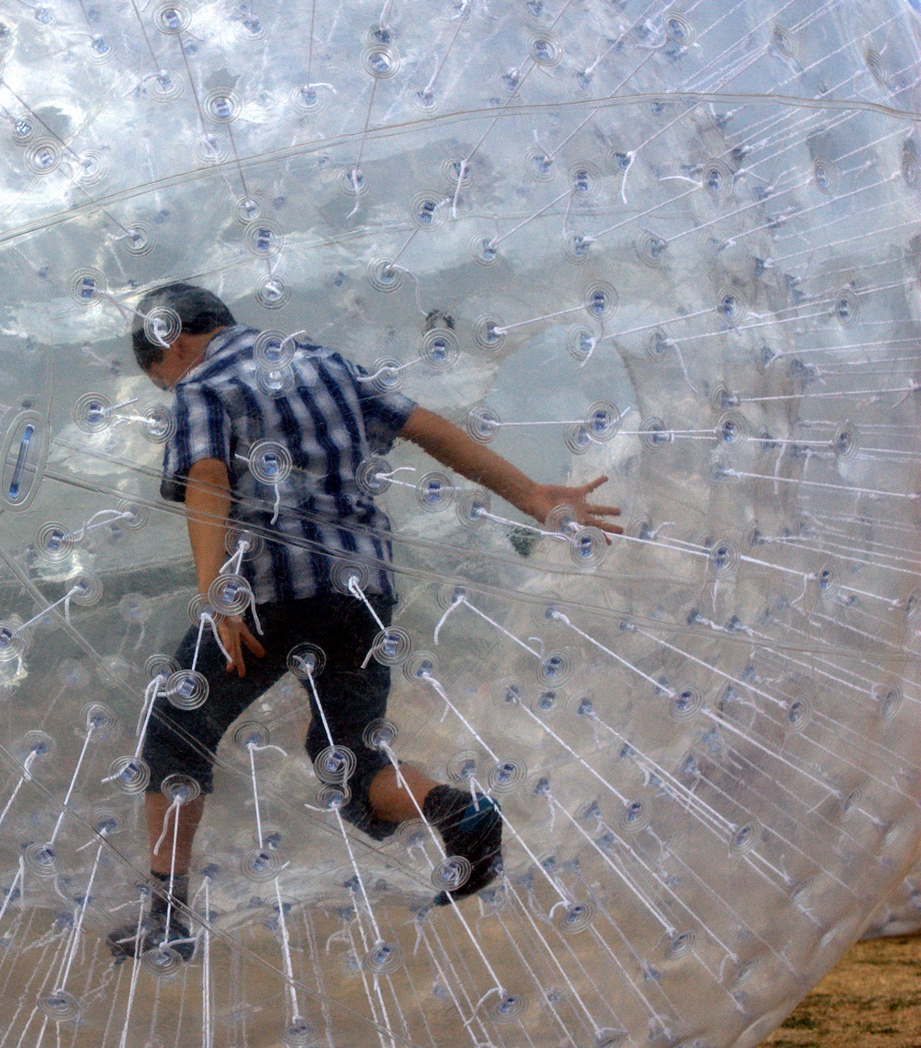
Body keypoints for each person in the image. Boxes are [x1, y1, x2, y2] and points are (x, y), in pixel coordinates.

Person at [109, 284, 621, 959]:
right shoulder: (324, 362)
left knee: (175, 732)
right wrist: (531, 496)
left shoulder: (203, 386)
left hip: (267, 593)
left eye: (160, 376)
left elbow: (208, 479)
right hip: (364, 589)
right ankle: (454, 810)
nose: (168, 385)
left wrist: (218, 592)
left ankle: (165, 919)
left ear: (173, 344)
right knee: (348, 758)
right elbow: (430, 429)